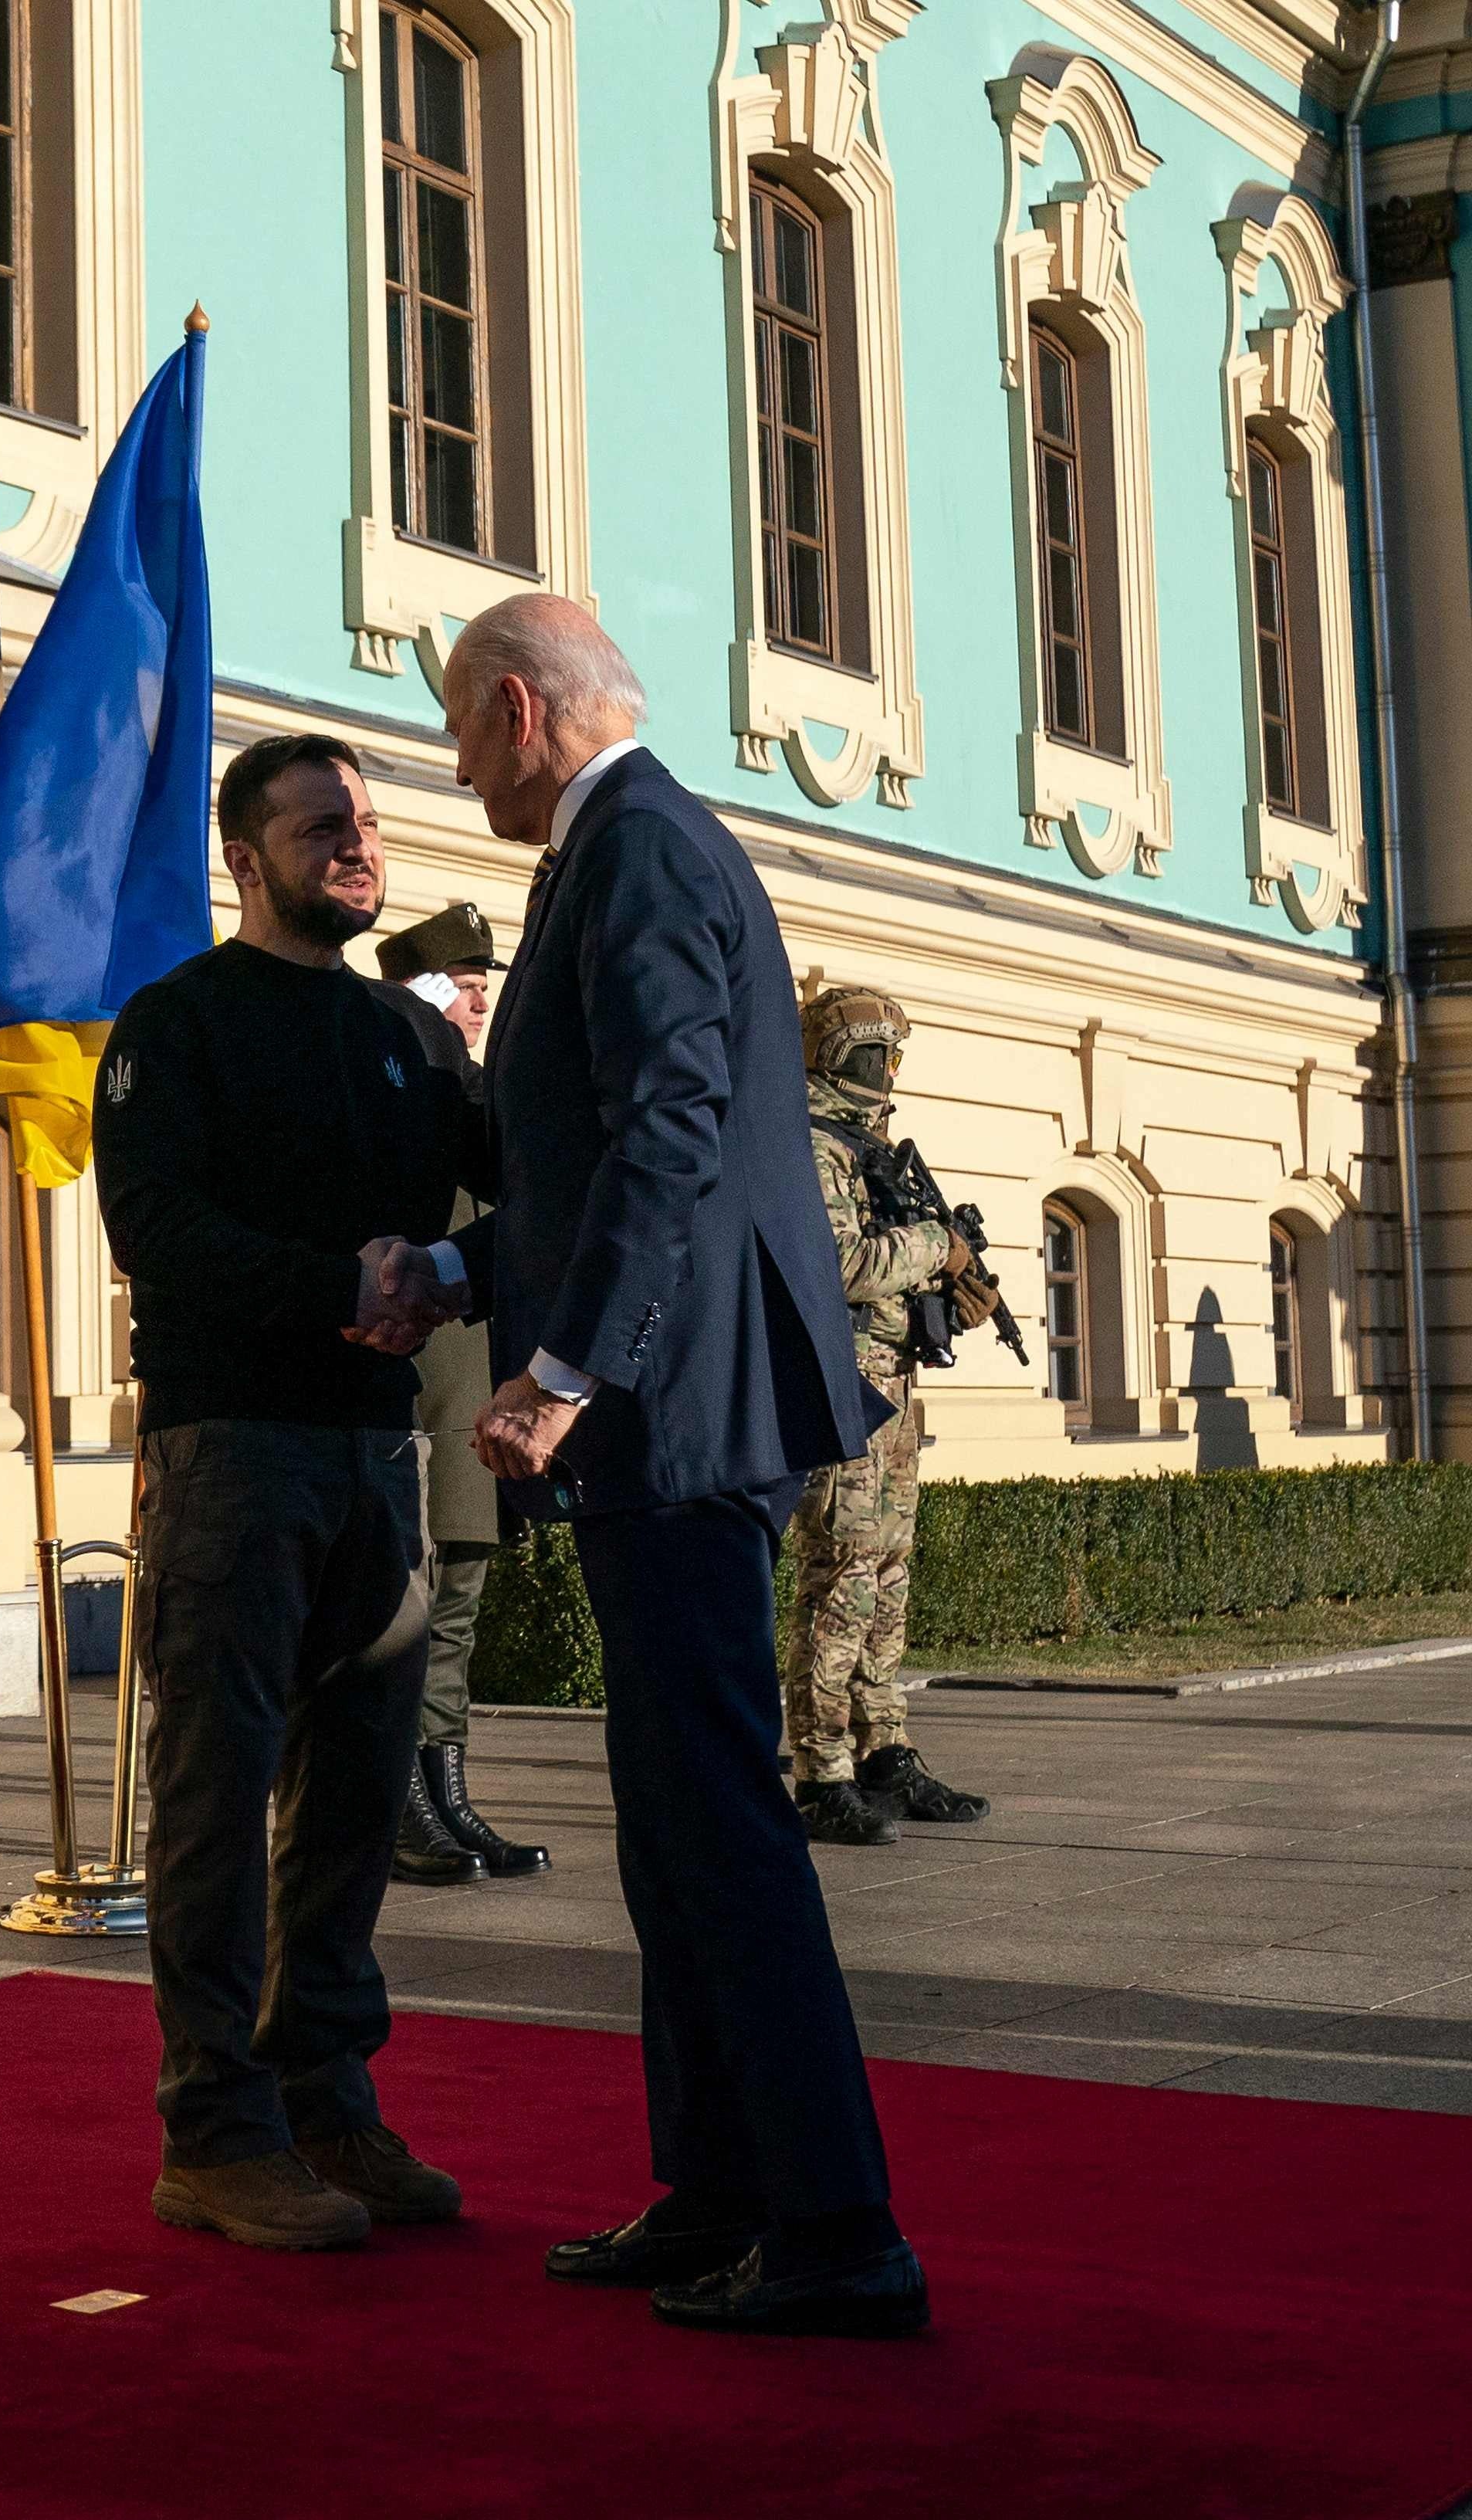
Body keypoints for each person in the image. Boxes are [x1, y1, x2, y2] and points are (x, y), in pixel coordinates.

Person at [367, 591, 927, 2339]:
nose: (460, 775)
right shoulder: (622, 856)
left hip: (675, 1414)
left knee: (718, 1824)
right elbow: (585, 1163)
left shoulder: (637, 855)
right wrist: (462, 1277)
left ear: (522, 713)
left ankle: (837, 2233)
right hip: (666, 1400)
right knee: (673, 1824)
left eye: (463, 737)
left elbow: (672, 1129)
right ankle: (717, 2195)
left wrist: (559, 1372)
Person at [89, 730, 492, 2254]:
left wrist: (445, 1277)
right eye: (321, 825)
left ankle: (327, 2100)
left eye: (367, 823)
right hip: (232, 1451)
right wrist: (348, 1284)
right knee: (213, 1794)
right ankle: (218, 2132)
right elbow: (158, 1226)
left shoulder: (410, 1039)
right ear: (243, 858)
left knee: (355, 1797)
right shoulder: (177, 1023)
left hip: (377, 1455)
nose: (355, 845)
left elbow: (503, 1178)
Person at [788, 984, 997, 1844]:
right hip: (842, 1386)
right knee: (841, 1575)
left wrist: (955, 1283)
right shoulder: (808, 1143)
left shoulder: (868, 1144)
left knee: (890, 1572)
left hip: (894, 1380)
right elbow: (836, 1265)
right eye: (868, 1053)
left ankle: (885, 1748)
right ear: (833, 1056)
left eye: (890, 1052)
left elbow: (903, 1255)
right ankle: (821, 1768)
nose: (884, 1067)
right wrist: (932, 1251)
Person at [375, 903, 545, 1883]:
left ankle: (447, 1794)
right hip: (423, 1385)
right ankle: (399, 1802)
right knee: (411, 1602)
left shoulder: (485, 1088)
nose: (478, 997)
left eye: (483, 982)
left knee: (461, 1603)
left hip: (482, 1380)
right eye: (459, 981)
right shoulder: (402, 1079)